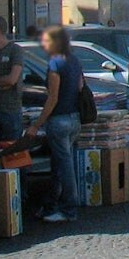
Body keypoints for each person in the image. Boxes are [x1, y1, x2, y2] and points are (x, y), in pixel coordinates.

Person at [27, 25, 84, 223]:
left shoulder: (55, 64)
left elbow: (52, 98)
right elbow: (80, 88)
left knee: (64, 167)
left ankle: (69, 209)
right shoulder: (74, 61)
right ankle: (52, 205)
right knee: (60, 166)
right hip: (74, 118)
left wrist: (37, 124)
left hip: (59, 120)